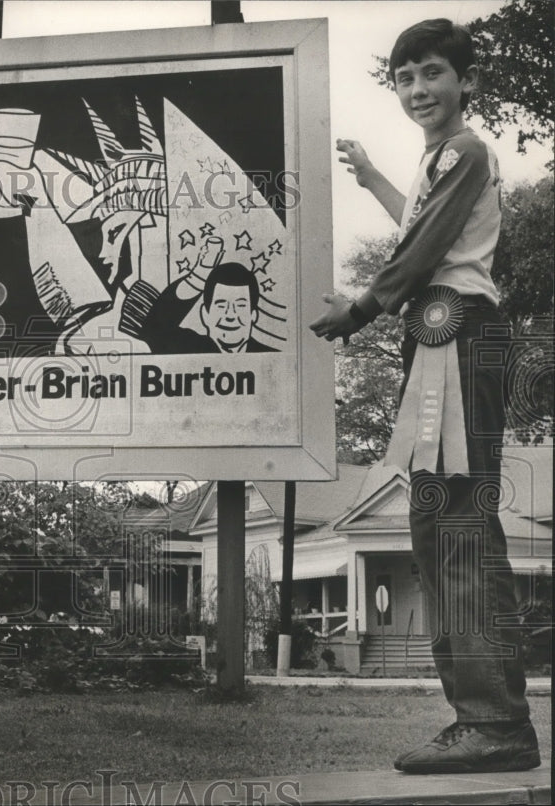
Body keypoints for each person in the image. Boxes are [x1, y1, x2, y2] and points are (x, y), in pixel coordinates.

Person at [309, 19, 540, 774]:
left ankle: (493, 722)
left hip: (460, 333)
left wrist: (362, 308)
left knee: (456, 528)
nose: (418, 90)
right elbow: (421, 221)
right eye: (404, 78)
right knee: (445, 526)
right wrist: (374, 174)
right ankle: (491, 715)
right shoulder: (442, 159)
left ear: (467, 82)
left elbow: (425, 247)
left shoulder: (467, 150)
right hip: (446, 336)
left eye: (433, 73)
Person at [140, 256, 278, 354]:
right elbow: (154, 331)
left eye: (240, 306)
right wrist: (200, 273)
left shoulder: (272, 358)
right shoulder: (188, 349)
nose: (230, 315)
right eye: (221, 305)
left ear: (253, 315)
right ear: (205, 315)